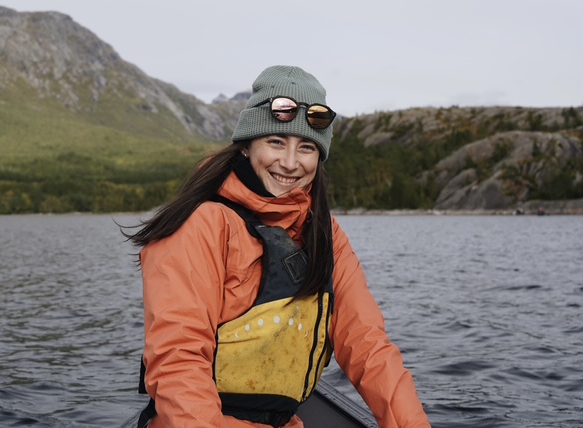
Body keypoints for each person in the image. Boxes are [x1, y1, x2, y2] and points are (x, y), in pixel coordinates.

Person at [126, 65, 430, 428]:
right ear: (247, 145)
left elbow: (368, 346)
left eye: (306, 148)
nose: (289, 163)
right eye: (275, 142)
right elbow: (179, 364)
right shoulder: (202, 225)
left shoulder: (325, 233)